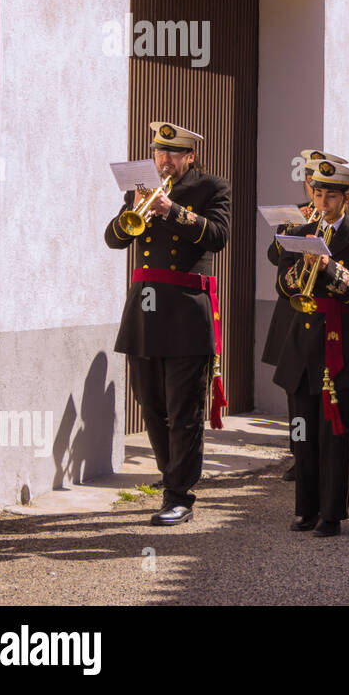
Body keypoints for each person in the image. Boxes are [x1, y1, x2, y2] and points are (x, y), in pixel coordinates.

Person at [105, 122, 231, 526]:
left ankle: (180, 495)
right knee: (150, 403)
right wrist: (131, 210)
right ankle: (169, 478)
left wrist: (171, 210)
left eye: (174, 153)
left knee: (184, 410)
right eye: (160, 152)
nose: (165, 160)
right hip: (144, 311)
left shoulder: (212, 187)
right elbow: (115, 240)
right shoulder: (140, 189)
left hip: (185, 313)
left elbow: (217, 236)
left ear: (190, 156)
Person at [273, 160, 349, 536]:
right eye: (318, 194)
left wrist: (328, 268)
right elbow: (283, 288)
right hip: (301, 342)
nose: (322, 202)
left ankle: (332, 513)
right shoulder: (299, 234)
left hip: (339, 341)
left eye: (330, 195)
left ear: (346, 198)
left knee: (333, 434)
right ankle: (305, 508)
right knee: (301, 430)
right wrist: (300, 265)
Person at [264, 149, 349, 482]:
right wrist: (290, 228)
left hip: (330, 315)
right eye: (312, 183)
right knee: (295, 387)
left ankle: (325, 453)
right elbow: (275, 256)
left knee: (325, 386)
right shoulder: (297, 215)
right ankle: (299, 454)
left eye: (323, 184)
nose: (316, 188)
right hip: (295, 311)